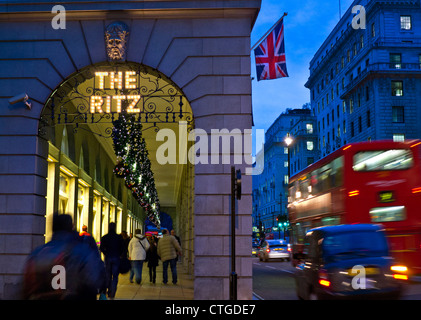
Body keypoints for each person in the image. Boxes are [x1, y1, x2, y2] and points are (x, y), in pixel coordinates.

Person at [23, 213, 105, 300]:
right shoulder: (82, 252)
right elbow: (94, 279)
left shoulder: (37, 253)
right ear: (71, 227)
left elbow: (27, 286)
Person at [100, 222, 124, 299]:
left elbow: (101, 248)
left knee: (108, 275)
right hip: (116, 257)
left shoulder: (105, 237)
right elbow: (122, 248)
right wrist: (119, 254)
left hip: (108, 257)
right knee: (115, 276)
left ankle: (109, 290)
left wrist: (106, 253)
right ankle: (113, 291)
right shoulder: (119, 237)